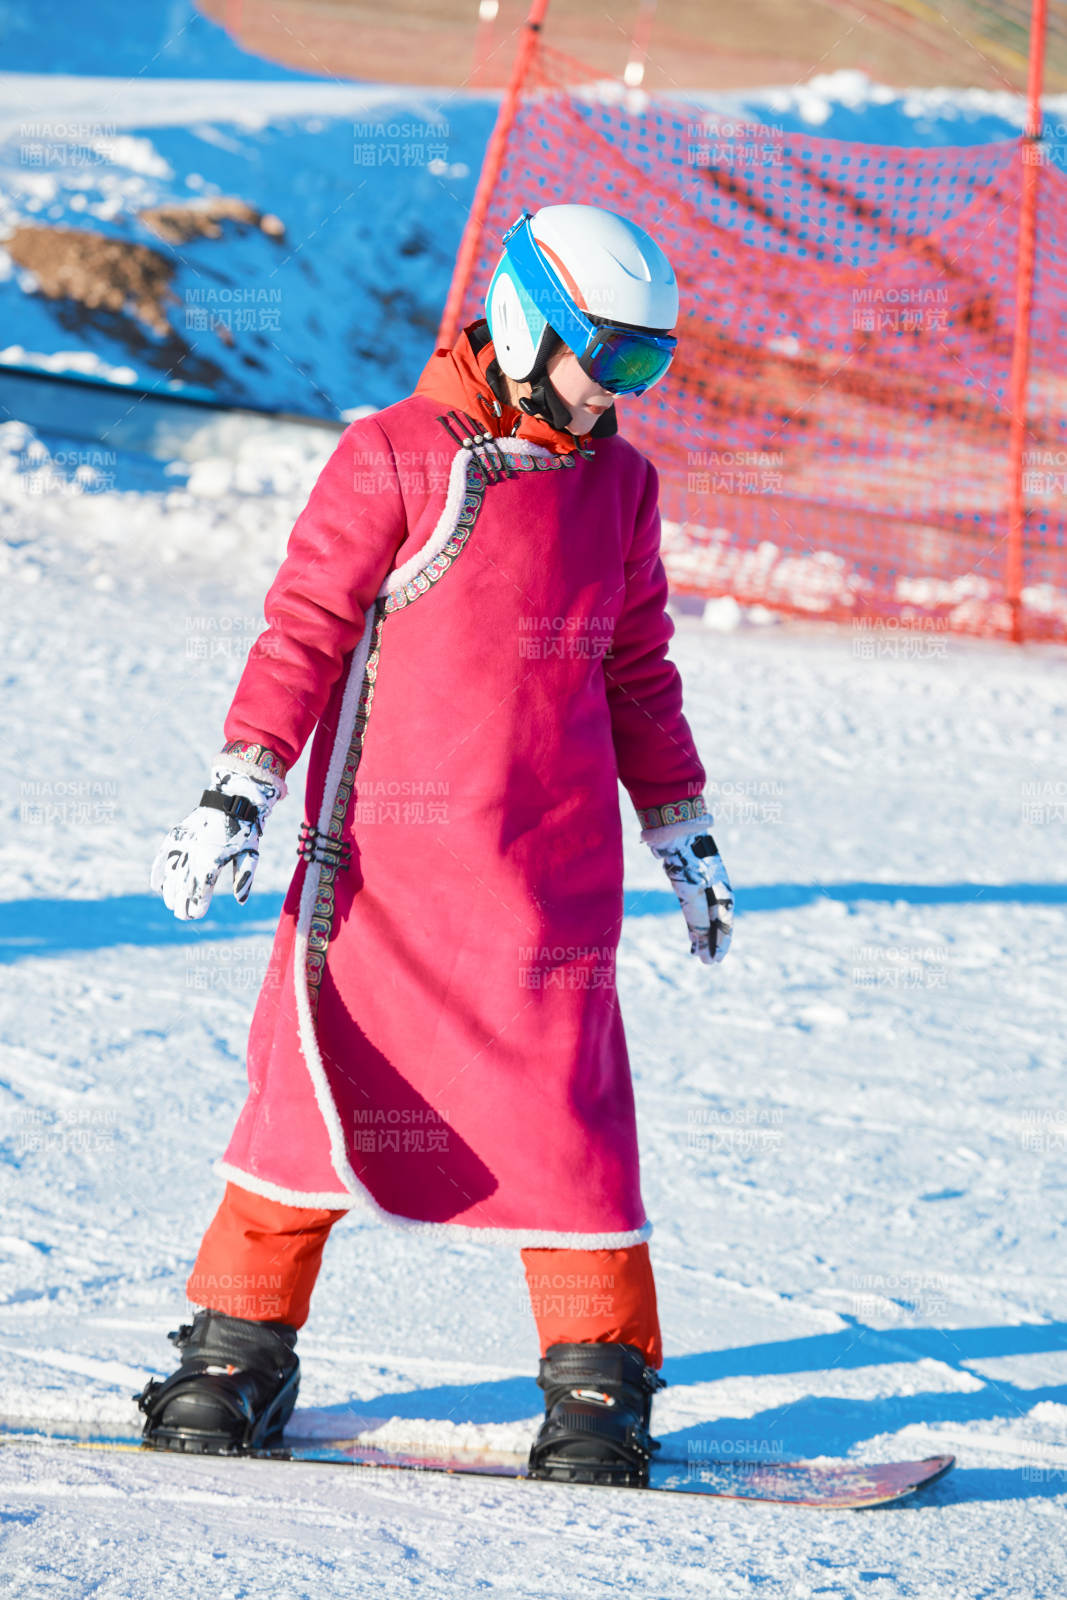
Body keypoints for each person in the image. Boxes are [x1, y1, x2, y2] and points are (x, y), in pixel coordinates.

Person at [137, 204, 734, 1487]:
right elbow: (301, 629)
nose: (612, 393)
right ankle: (240, 1344)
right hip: (379, 882)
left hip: (547, 887)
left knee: (571, 1126)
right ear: (528, 322)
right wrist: (240, 786)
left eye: (644, 368)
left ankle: (597, 1370)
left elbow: (638, 672)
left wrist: (678, 827)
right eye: (604, 357)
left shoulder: (619, 487)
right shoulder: (393, 455)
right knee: (304, 1101)